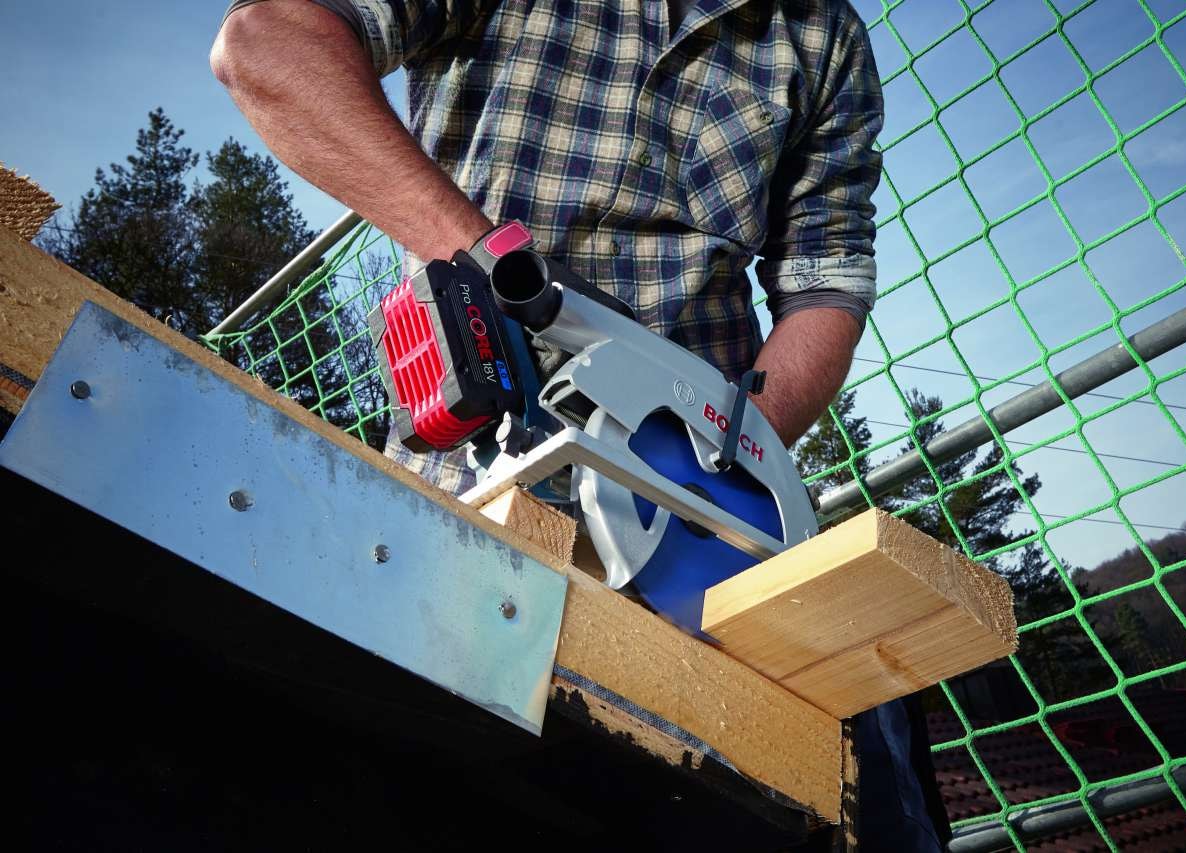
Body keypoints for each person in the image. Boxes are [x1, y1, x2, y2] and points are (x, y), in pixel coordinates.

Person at [211, 2, 946, 848]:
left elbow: (827, 284)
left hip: (695, 537)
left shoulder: (821, 32)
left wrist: (717, 456)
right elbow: (267, 44)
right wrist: (497, 265)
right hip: (474, 494)